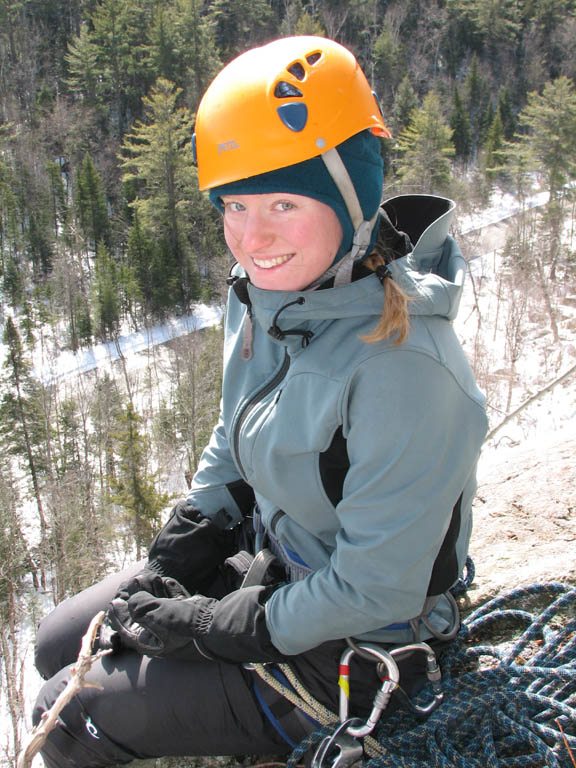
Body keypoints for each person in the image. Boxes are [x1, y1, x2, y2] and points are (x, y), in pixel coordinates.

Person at [33, 36, 488, 768]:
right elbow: (236, 431)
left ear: (350, 197)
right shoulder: (267, 300)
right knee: (58, 642)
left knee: (66, 718)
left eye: (284, 200)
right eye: (234, 204)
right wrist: (195, 535)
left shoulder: (407, 371)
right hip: (275, 565)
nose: (253, 237)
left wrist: (214, 623)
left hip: (357, 643)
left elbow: (376, 589)